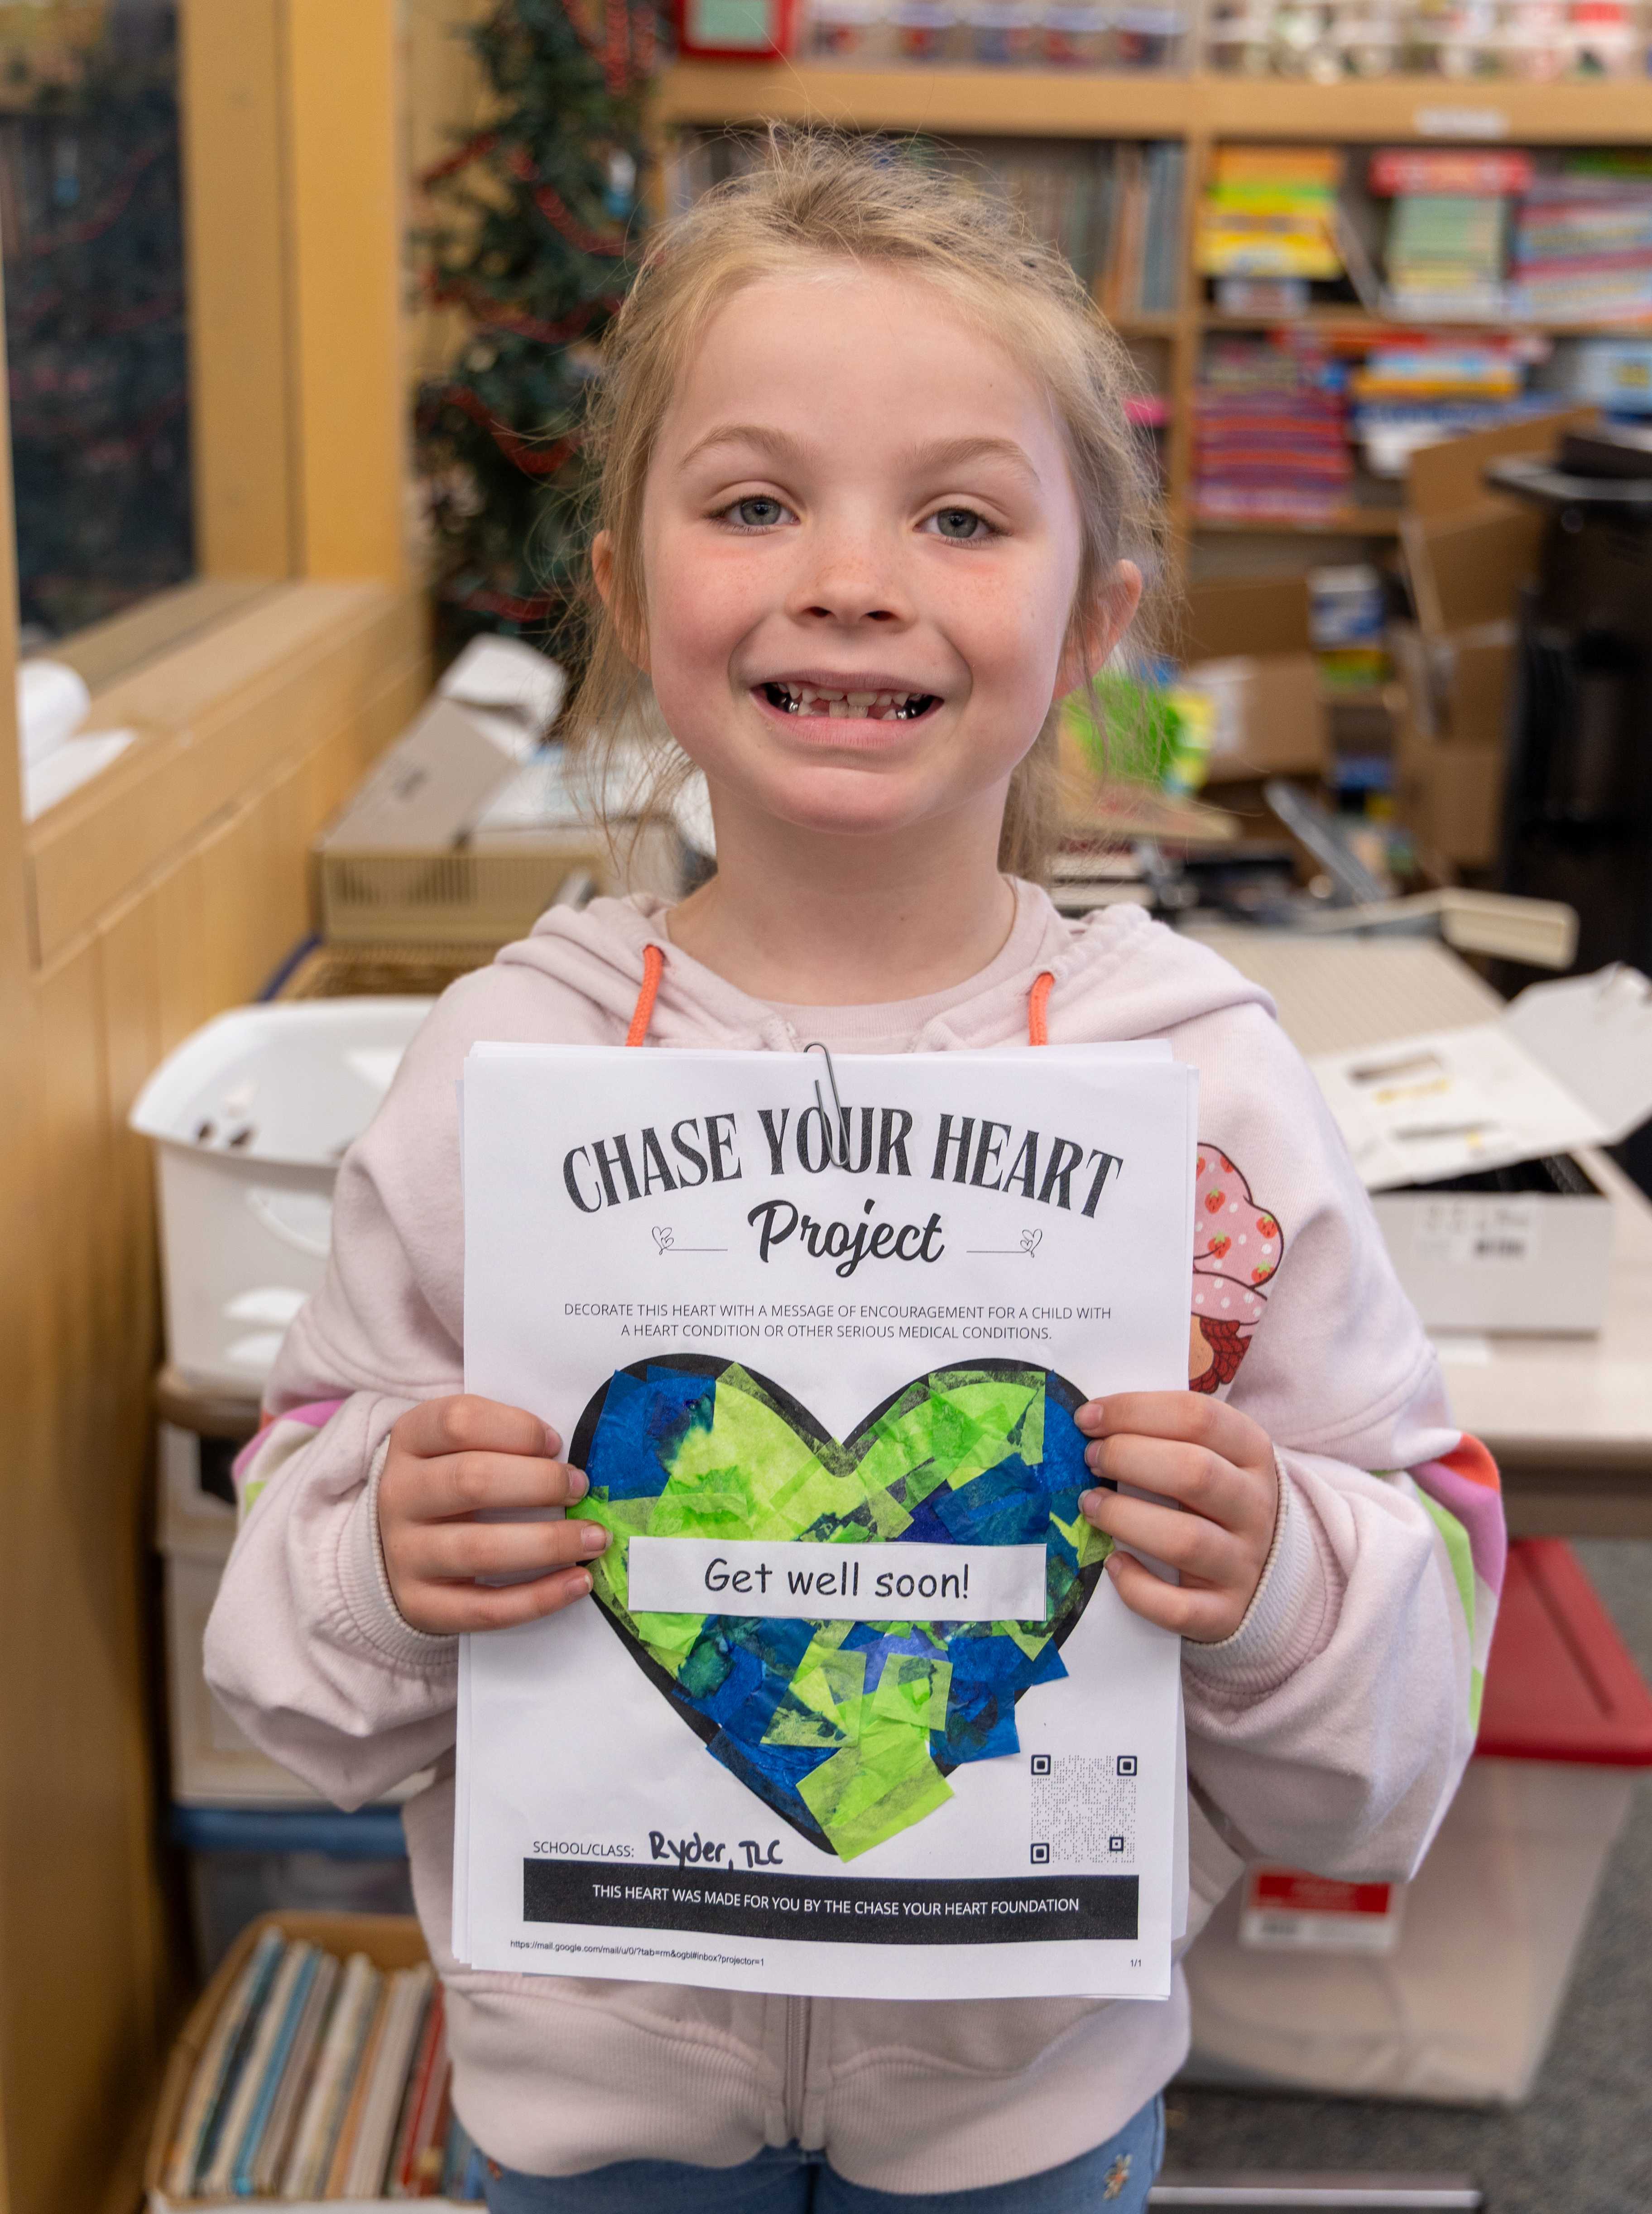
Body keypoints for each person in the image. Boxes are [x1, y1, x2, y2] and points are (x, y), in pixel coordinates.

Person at [206, 134, 1505, 2214]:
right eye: (753, 501)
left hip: (1024, 2109)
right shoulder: (500, 1064)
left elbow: (1421, 1635)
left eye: (962, 514)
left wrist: (1279, 1568)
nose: (852, 574)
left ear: (1097, 621)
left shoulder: (1202, 1086)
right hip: (589, 2107)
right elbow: (290, 1619)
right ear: (629, 597)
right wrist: (377, 1554)